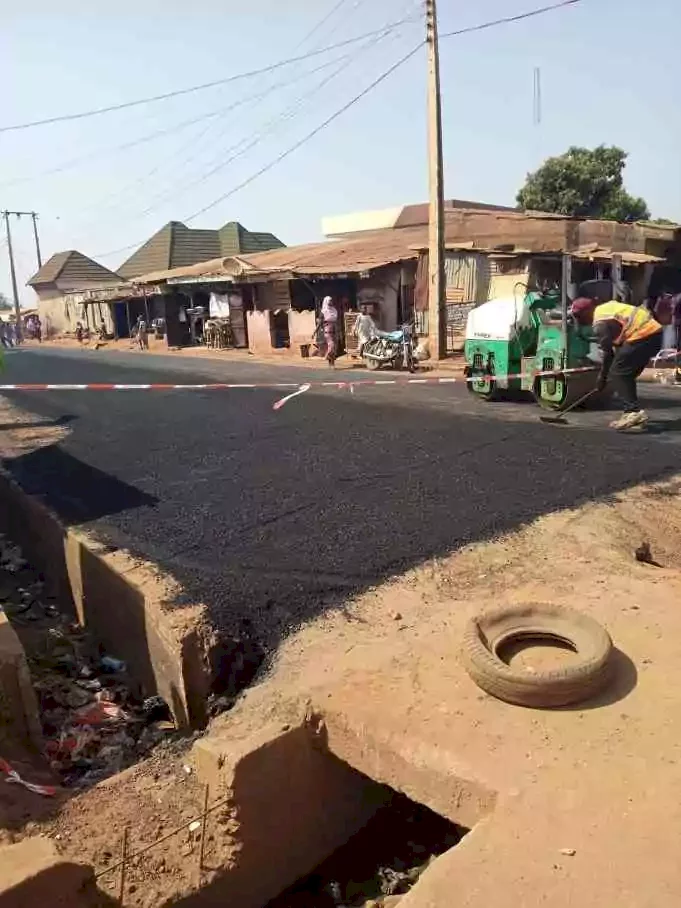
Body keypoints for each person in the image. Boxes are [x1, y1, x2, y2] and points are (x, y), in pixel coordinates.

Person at [571, 296, 663, 430]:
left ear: (587, 312)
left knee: (618, 372)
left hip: (643, 334)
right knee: (625, 375)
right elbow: (619, 343)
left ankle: (631, 412)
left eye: (578, 316)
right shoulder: (606, 308)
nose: (578, 320)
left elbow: (609, 354)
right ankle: (633, 414)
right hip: (654, 334)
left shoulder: (600, 324)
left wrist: (602, 378)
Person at [318, 296, 338, 367]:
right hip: (327, 330)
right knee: (331, 345)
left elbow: (336, 320)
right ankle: (326, 356)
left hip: (335, 330)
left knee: (334, 348)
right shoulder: (323, 311)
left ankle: (331, 363)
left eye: (331, 301)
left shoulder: (334, 310)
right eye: (330, 301)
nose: (331, 302)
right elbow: (320, 322)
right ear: (326, 302)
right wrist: (316, 331)